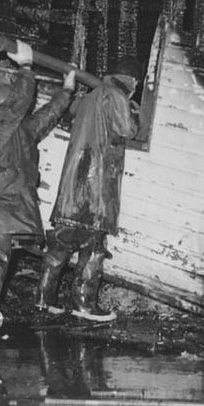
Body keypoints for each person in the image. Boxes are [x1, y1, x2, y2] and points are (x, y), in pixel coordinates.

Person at [0, 40, 76, 340]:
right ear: (3, 106)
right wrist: (25, 67)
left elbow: (47, 115)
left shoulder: (21, 131)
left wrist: (67, 90)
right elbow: (22, 101)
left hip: (6, 204)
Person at [36, 56, 141, 322]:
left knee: (60, 245)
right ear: (132, 81)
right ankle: (84, 305)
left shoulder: (91, 96)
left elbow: (72, 114)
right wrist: (135, 112)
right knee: (93, 247)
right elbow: (128, 129)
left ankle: (43, 300)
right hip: (94, 190)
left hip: (72, 186)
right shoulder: (116, 96)